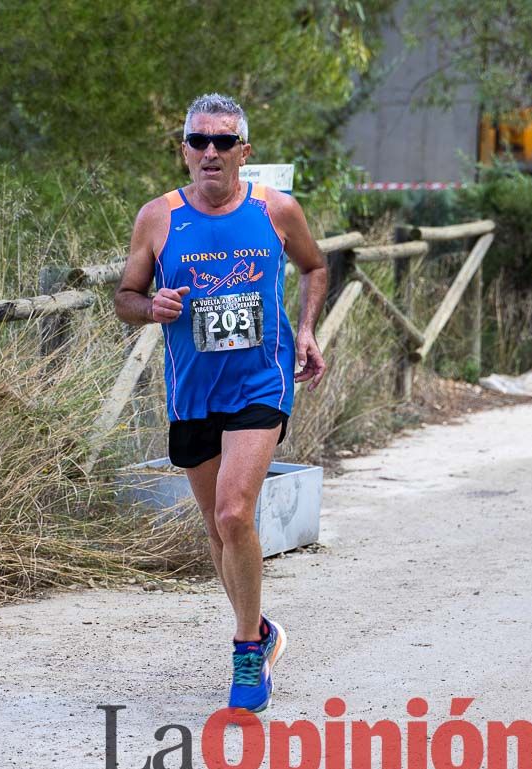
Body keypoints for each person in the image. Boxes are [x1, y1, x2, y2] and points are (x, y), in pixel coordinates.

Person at [114, 93, 328, 712]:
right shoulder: (157, 218)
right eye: (200, 141)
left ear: (244, 152)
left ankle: (243, 652)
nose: (212, 151)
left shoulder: (276, 210)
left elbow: (315, 267)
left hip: (261, 384)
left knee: (236, 514)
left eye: (224, 141)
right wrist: (150, 307)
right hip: (192, 391)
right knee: (217, 529)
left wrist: (308, 329)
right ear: (184, 151)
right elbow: (125, 296)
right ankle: (263, 631)